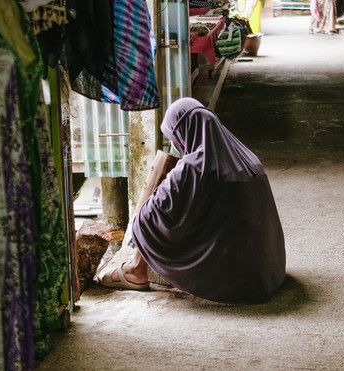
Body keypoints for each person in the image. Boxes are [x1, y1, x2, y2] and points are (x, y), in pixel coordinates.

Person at [96, 97, 287, 304]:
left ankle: (135, 270)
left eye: (174, 137)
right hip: (267, 272)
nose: (175, 145)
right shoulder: (248, 158)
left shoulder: (194, 167)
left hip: (236, 283)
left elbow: (151, 216)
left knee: (145, 218)